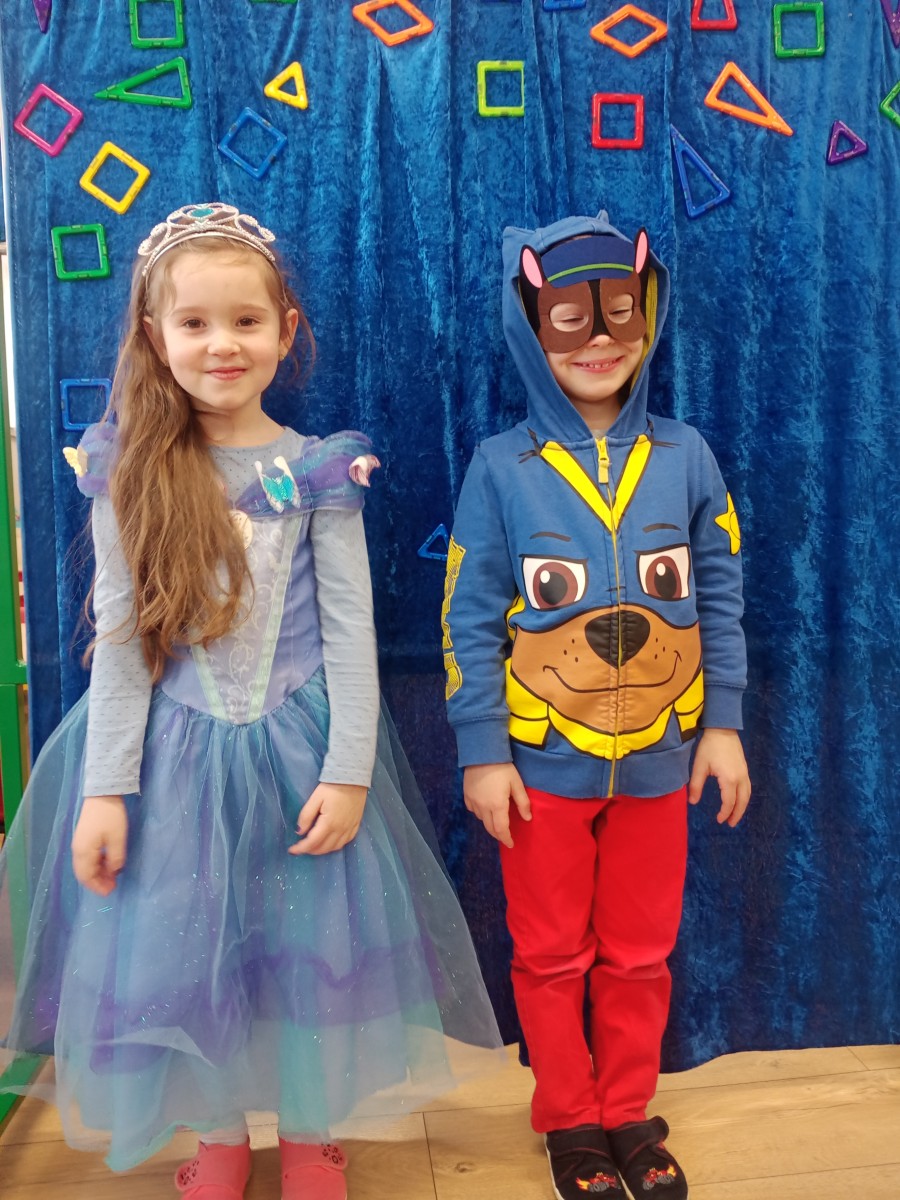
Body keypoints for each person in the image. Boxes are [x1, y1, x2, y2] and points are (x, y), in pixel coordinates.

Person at [0, 202, 502, 1198]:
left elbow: (352, 638)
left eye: (245, 320)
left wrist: (349, 775)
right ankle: (219, 1134)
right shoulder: (128, 469)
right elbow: (124, 645)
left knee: (307, 947)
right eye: (194, 323)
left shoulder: (319, 471)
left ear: (285, 329)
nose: (221, 344)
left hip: (300, 756)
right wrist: (106, 791)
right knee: (193, 957)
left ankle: (311, 1135)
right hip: (174, 768)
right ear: (155, 334)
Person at [441, 212, 751, 1200]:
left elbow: (720, 591)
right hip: (540, 766)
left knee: (641, 953)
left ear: (647, 315)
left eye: (620, 313)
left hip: (661, 759)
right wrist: (483, 748)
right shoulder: (501, 467)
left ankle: (626, 1111)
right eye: (571, 320)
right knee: (548, 953)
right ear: (532, 327)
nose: (600, 339)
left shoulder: (687, 455)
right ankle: (569, 1119)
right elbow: (467, 614)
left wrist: (723, 725)